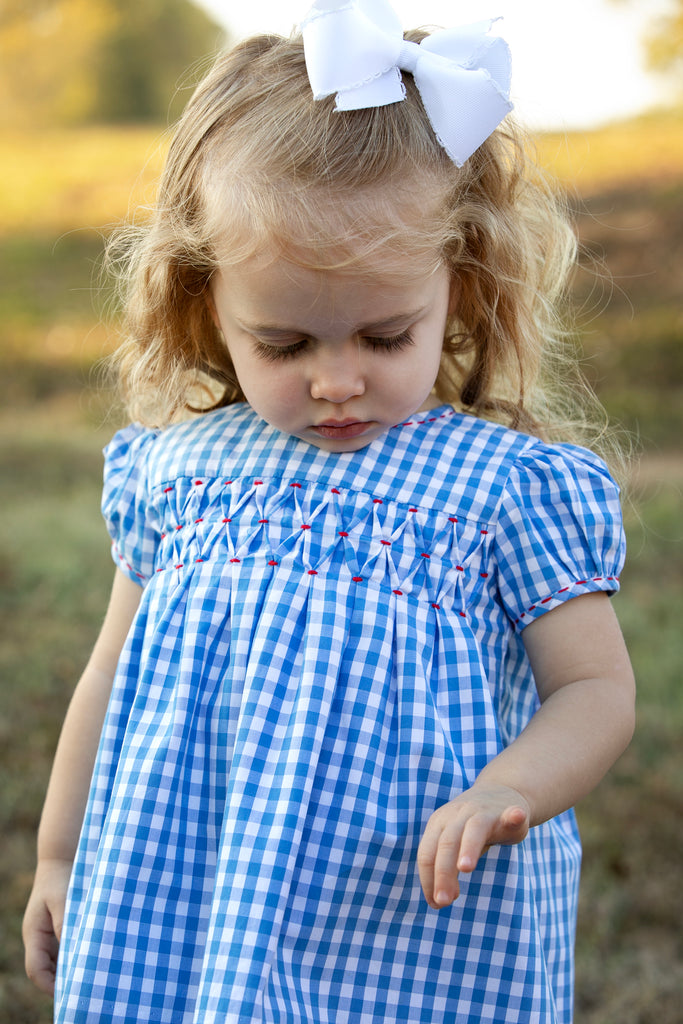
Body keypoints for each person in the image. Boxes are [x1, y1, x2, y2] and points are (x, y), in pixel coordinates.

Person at [23, 2, 635, 1021]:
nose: (337, 380)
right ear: (203, 302)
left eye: (384, 335)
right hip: (194, 903)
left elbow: (594, 689)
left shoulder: (501, 488)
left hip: (409, 910)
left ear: (460, 287)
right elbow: (106, 675)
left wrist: (507, 788)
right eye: (287, 344)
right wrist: (57, 850)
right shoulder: (173, 475)